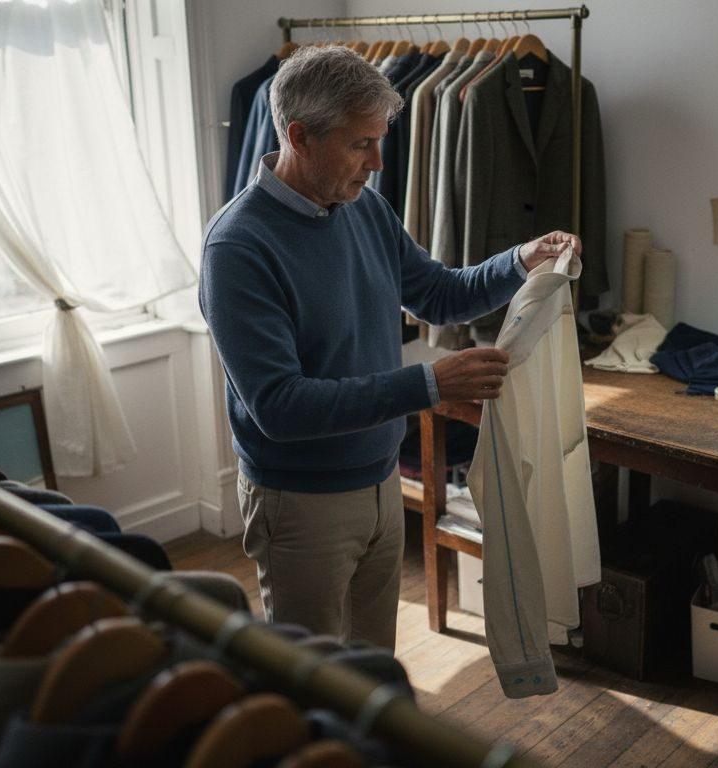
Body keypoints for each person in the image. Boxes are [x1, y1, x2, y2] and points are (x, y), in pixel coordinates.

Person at [199, 44, 580, 651]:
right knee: (314, 682)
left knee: (372, 667)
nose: (378, 162)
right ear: (299, 136)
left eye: (380, 140)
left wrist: (518, 261)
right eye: (360, 144)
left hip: (379, 484)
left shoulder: (362, 207)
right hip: (300, 503)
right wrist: (430, 385)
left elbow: (437, 293)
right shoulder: (238, 248)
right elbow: (280, 406)